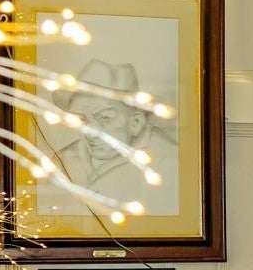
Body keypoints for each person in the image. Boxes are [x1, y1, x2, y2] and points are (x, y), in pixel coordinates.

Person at [52, 60, 178, 213]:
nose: (90, 132)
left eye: (105, 118)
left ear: (135, 122)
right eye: (82, 120)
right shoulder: (61, 161)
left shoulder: (170, 159)